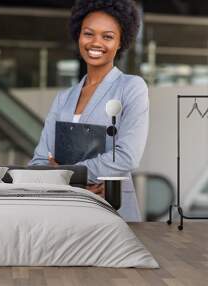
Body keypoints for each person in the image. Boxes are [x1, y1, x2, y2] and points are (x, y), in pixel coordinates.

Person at [29, 0, 148, 222]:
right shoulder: (63, 98)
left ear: (121, 42)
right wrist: (72, 182)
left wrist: (68, 175)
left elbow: (126, 156)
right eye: (89, 33)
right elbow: (39, 161)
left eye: (108, 36)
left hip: (112, 208)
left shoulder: (131, 87)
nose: (96, 42)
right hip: (64, 212)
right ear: (78, 36)